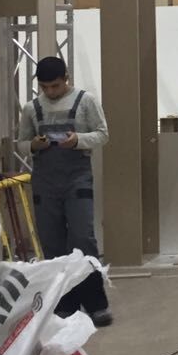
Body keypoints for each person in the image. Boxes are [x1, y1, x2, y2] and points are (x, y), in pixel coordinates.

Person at [17, 55, 113, 326]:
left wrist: (78, 140)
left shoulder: (86, 101)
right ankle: (64, 304)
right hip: (44, 182)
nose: (50, 92)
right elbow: (21, 142)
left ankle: (96, 304)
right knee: (52, 243)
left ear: (66, 78)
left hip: (77, 179)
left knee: (83, 239)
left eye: (56, 86)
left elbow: (103, 134)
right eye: (45, 87)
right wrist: (34, 145)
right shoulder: (31, 108)